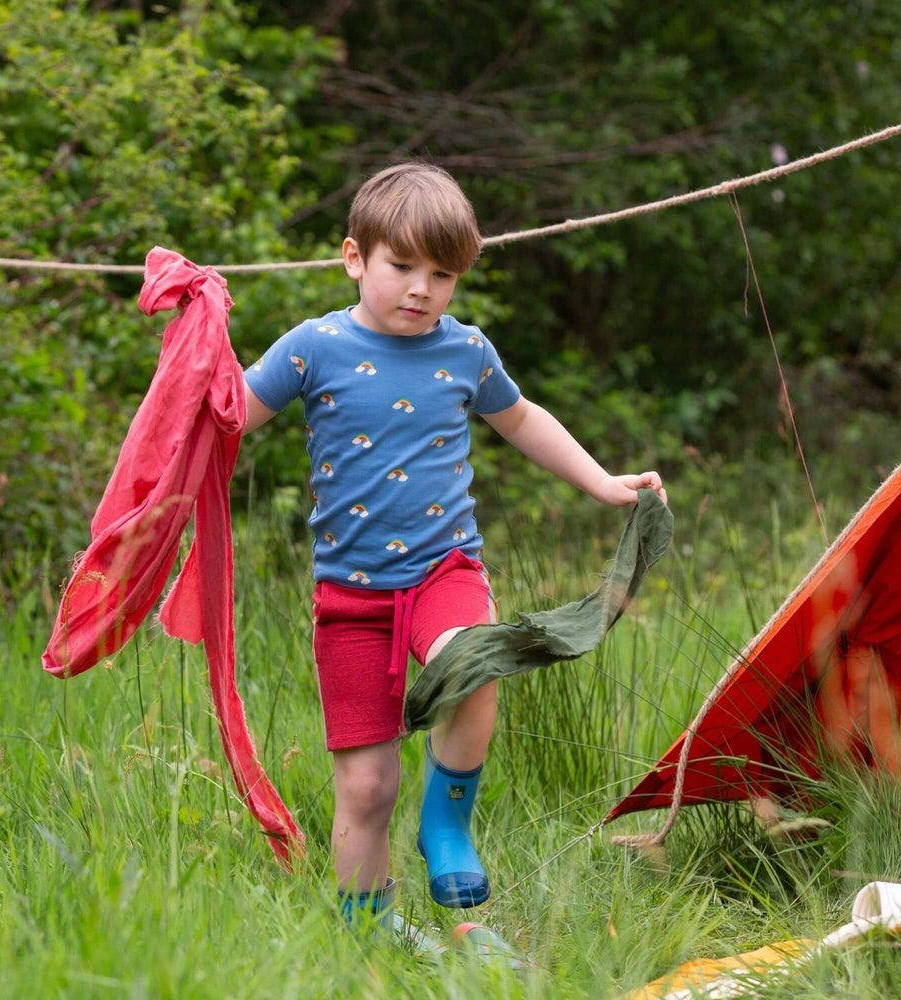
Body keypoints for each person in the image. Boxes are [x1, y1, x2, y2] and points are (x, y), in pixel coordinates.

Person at [241, 161, 666, 926]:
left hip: (446, 570)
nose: (420, 288)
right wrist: (186, 380)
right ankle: (369, 929)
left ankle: (447, 824)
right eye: (401, 266)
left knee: (473, 660)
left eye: (442, 274)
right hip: (350, 600)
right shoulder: (313, 347)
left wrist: (602, 481)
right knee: (366, 789)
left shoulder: (465, 350)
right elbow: (227, 415)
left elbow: (524, 419)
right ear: (353, 258)